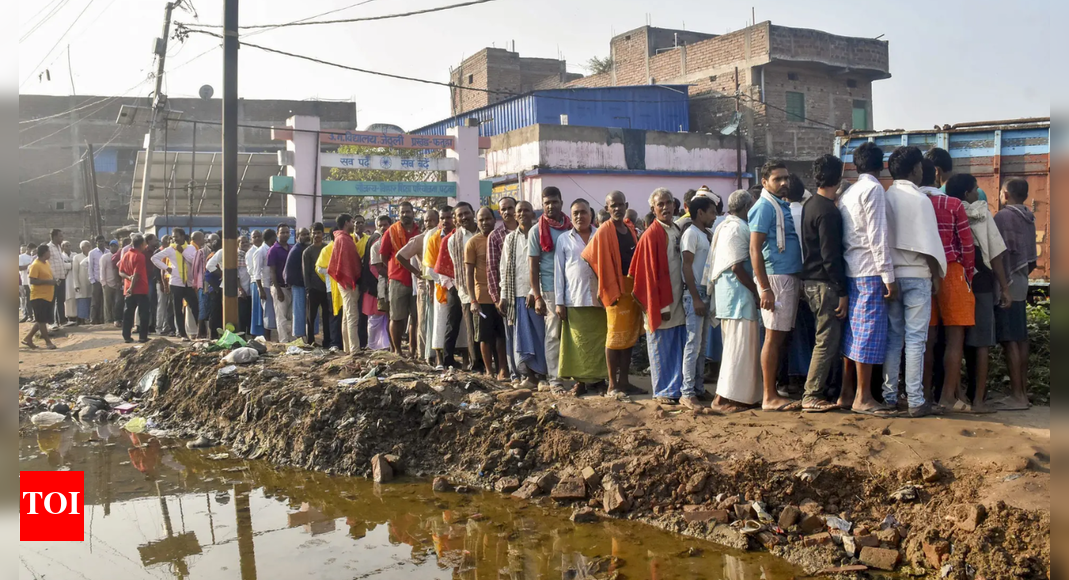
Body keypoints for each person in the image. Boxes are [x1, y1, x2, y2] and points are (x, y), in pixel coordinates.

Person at [883, 146, 947, 417]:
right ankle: (916, 399)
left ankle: (888, 396)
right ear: (914, 170)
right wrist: (937, 277)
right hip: (918, 275)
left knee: (894, 338)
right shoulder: (920, 200)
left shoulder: (885, 197)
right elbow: (929, 245)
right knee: (916, 340)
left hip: (891, 277)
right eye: (921, 167)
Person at [837, 143, 897, 414]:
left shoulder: (850, 191)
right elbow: (878, 235)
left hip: (853, 267)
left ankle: (848, 393)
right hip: (870, 269)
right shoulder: (874, 190)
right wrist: (888, 276)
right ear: (881, 165)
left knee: (854, 334)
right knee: (868, 334)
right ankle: (863, 397)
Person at [947, 174, 1011, 413]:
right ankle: (979, 401)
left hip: (955, 284)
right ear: (966, 194)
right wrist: (1004, 288)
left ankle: (955, 395)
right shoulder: (982, 215)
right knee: (981, 342)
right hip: (981, 285)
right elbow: (995, 254)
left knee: (954, 341)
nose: (977, 194)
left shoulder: (946, 212)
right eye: (975, 189)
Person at [921, 158, 976, 411]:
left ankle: (922, 395)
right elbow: (967, 246)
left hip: (922, 271)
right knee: (955, 339)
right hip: (952, 271)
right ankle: (948, 398)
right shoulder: (952, 203)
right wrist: (968, 276)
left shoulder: (914, 204)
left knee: (926, 340)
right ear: (935, 173)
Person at [748, 161, 804, 411]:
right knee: (772, 337)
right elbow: (754, 249)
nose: (783, 183)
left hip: (785, 276)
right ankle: (769, 396)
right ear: (765, 182)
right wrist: (765, 288)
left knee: (779, 337)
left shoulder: (780, 205)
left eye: (785, 178)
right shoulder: (765, 207)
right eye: (777, 179)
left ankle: (772, 392)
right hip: (775, 279)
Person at [795, 155, 849, 412]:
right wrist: (842, 290)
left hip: (811, 281)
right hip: (825, 283)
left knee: (825, 338)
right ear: (837, 178)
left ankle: (823, 390)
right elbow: (831, 257)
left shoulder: (811, 205)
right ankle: (812, 394)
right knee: (826, 340)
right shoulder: (829, 212)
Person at [582, 191, 644, 397]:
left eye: (620, 205)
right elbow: (590, 257)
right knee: (613, 338)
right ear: (607, 208)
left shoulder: (629, 229)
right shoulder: (603, 231)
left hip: (631, 289)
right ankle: (612, 385)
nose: (617, 208)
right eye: (612, 205)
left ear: (626, 205)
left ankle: (624, 382)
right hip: (614, 289)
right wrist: (605, 282)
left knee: (629, 338)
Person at [630, 188, 686, 404]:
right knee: (660, 345)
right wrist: (660, 306)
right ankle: (662, 390)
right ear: (653, 209)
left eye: (668, 203)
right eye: (660, 204)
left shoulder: (674, 229)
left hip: (677, 297)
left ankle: (675, 388)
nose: (665, 207)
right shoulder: (651, 235)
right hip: (660, 301)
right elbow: (646, 275)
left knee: (675, 345)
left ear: (674, 205)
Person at [707, 190, 761, 412]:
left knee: (740, 350)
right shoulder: (738, 228)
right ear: (748, 208)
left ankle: (741, 397)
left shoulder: (725, 225)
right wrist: (757, 291)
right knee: (736, 351)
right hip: (738, 298)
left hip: (731, 298)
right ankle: (722, 399)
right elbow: (737, 266)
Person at [552, 199, 607, 393]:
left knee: (599, 342)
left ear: (590, 215)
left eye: (583, 212)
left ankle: (600, 380)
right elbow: (559, 271)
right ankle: (581, 382)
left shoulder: (600, 235)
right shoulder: (564, 239)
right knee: (577, 344)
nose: (579, 216)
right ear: (570, 215)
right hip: (573, 298)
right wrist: (559, 302)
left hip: (599, 299)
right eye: (575, 213)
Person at [992, 177, 1037, 411]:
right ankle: (1022, 390)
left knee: (1010, 340)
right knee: (1020, 338)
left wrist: (1004, 287)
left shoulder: (1003, 216)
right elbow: (1029, 258)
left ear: (1005, 194)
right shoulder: (1029, 216)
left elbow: (998, 254)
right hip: (1022, 280)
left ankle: (1017, 395)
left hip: (1007, 283)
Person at [529, 187, 571, 388]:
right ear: (542, 204)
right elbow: (533, 267)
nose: (550, 206)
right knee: (553, 334)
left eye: (554, 202)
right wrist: (537, 296)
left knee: (572, 333)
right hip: (550, 288)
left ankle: (574, 375)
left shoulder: (571, 226)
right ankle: (555, 379)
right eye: (546, 202)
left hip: (572, 287)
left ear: (561, 202)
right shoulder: (536, 231)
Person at [500, 200, 545, 388]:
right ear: (515, 216)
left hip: (537, 296)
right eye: (520, 211)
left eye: (527, 210)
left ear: (533, 214)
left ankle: (544, 376)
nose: (523, 213)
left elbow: (544, 267)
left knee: (540, 336)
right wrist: (503, 295)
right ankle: (530, 377)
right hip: (515, 295)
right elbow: (504, 268)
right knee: (522, 338)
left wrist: (534, 291)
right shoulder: (510, 239)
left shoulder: (540, 235)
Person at [679, 195, 718, 408]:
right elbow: (687, 266)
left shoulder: (705, 234)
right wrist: (695, 298)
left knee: (701, 345)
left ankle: (698, 387)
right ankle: (687, 391)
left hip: (704, 292)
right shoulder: (691, 234)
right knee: (693, 344)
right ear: (700, 213)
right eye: (711, 212)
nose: (714, 216)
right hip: (695, 293)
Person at [466, 207, 511, 380]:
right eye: (481, 220)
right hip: (482, 295)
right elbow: (469, 273)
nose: (484, 222)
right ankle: (489, 371)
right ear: (477, 222)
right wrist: (473, 300)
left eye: (487, 219)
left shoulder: (503, 238)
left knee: (501, 334)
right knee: (484, 336)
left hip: (500, 295)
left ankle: (503, 369)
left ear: (494, 219)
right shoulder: (472, 243)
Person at [397, 209, 440, 364]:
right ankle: (423, 355)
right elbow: (400, 256)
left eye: (432, 220)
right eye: (426, 221)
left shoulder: (443, 237)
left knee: (439, 320)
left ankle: (438, 354)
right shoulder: (419, 239)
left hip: (442, 285)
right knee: (423, 320)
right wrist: (416, 272)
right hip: (425, 286)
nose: (429, 223)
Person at [379, 202, 421, 357]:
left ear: (413, 213)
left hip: (418, 280)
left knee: (416, 318)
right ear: (398, 214)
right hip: (398, 279)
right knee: (397, 317)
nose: (405, 214)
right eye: (402, 212)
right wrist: (394, 267)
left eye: (408, 212)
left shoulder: (419, 230)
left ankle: (413, 350)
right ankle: (397, 350)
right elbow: (383, 256)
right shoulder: (391, 231)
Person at [440, 202, 479, 368]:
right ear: (456, 219)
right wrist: (458, 287)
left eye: (466, 213)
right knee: (469, 328)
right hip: (463, 289)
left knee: (487, 329)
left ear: (473, 213)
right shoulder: (452, 241)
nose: (464, 217)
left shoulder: (485, 232)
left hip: (487, 288)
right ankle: (476, 364)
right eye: (460, 215)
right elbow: (456, 267)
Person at [486, 197, 518, 379]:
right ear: (500, 212)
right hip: (507, 294)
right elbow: (492, 269)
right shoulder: (496, 236)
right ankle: (513, 372)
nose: (507, 212)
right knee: (509, 335)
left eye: (510, 208)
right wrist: (497, 298)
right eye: (503, 209)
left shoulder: (530, 231)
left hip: (526, 292)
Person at [151, 228, 201, 341]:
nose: (174, 239)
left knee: (195, 307)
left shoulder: (190, 248)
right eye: (173, 237)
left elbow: (194, 261)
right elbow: (154, 258)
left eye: (176, 236)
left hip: (188, 283)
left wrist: (182, 251)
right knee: (177, 309)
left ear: (183, 237)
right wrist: (167, 268)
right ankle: (182, 334)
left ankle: (201, 331)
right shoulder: (170, 249)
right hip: (176, 282)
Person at [426, 206, 458, 367]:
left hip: (463, 287)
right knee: (441, 323)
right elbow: (431, 269)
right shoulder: (434, 239)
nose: (446, 221)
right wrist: (448, 283)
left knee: (463, 327)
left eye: (449, 217)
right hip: (442, 287)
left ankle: (465, 359)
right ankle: (440, 360)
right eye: (443, 218)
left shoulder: (460, 235)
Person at [327, 214, 362, 354]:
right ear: (347, 222)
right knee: (352, 315)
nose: (354, 224)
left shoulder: (340, 238)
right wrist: (351, 277)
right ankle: (354, 349)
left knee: (347, 316)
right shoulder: (344, 239)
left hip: (343, 281)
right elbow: (348, 263)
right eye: (353, 221)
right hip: (348, 282)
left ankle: (348, 348)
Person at [23, 244, 59, 350]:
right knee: (42, 321)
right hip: (38, 297)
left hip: (47, 296)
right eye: (48, 251)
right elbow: (32, 280)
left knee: (41, 320)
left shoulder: (46, 263)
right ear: (44, 253)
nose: (50, 254)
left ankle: (28, 338)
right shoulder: (35, 265)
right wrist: (48, 282)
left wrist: (53, 281)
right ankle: (48, 342)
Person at [366, 217, 392, 351]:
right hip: (383, 283)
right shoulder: (376, 245)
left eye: (385, 224)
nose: (383, 227)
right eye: (380, 225)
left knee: (396, 316)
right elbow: (376, 268)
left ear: (390, 225)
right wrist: (393, 275)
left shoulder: (398, 241)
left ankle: (391, 345)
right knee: (381, 315)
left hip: (401, 282)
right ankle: (375, 345)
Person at [118, 235, 151, 343]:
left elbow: (120, 272)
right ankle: (143, 336)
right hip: (140, 288)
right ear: (141, 244)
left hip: (128, 288)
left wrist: (128, 278)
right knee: (144, 313)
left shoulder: (126, 255)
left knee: (128, 313)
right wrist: (132, 287)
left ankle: (126, 336)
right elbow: (136, 274)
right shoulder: (140, 256)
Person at [303, 223, 330, 347]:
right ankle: (310, 341)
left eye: (318, 233)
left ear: (322, 234)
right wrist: (308, 289)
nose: (316, 235)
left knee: (327, 316)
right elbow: (306, 272)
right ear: (311, 234)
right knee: (311, 317)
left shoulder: (327, 248)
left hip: (327, 288)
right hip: (313, 288)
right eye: (314, 233)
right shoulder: (307, 252)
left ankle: (327, 341)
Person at [266, 224, 294, 343]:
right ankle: (283, 341)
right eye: (282, 232)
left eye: (287, 232)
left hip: (291, 288)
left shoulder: (292, 248)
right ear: (277, 234)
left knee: (293, 316)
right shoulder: (273, 250)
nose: (285, 234)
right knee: (281, 317)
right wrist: (278, 290)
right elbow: (272, 271)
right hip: (279, 288)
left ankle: (293, 340)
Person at [285, 227, 312, 343]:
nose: (306, 236)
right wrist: (298, 283)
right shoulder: (296, 250)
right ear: (297, 237)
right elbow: (288, 272)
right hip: (299, 285)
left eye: (307, 234)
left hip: (306, 285)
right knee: (299, 311)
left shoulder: (306, 248)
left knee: (307, 312)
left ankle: (307, 337)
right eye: (303, 234)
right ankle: (299, 337)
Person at [254, 229, 278, 341]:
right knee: (268, 312)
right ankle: (267, 338)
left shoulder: (272, 249)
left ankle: (272, 337)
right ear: (272, 238)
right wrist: (261, 289)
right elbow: (256, 272)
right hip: (265, 285)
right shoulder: (260, 251)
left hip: (273, 284)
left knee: (274, 311)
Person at [154, 234, 176, 337]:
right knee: (165, 306)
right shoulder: (163, 252)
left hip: (175, 282)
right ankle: (162, 327)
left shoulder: (176, 251)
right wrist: (163, 284)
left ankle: (168, 327)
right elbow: (162, 270)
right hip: (166, 283)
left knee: (171, 306)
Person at [66, 241, 92, 325]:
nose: (89, 247)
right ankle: (82, 319)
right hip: (81, 283)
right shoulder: (77, 257)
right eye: (87, 246)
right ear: (82, 248)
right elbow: (75, 272)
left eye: (89, 246)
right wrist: (76, 284)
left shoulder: (91, 255)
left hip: (90, 282)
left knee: (90, 299)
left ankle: (89, 318)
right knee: (82, 299)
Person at [46, 229, 68, 327]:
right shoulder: (48, 247)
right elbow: (46, 263)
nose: (62, 238)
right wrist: (52, 278)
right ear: (54, 237)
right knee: (52, 300)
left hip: (62, 276)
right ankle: (52, 322)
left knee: (61, 299)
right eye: (60, 236)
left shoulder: (59, 247)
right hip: (54, 279)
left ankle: (62, 320)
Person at [246, 230, 266, 338]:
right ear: (251, 239)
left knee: (264, 310)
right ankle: (256, 334)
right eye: (255, 237)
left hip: (265, 282)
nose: (257, 238)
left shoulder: (263, 249)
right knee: (257, 310)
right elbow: (251, 271)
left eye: (259, 236)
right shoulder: (250, 252)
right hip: (256, 283)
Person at [100, 240, 122, 327]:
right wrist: (103, 282)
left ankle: (116, 319)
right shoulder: (105, 257)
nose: (113, 247)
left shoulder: (120, 256)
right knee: (107, 303)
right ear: (109, 247)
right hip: (107, 283)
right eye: (112, 246)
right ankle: (108, 320)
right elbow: (102, 270)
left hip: (117, 284)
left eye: (115, 246)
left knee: (117, 302)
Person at [88, 236, 106, 324]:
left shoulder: (108, 252)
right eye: (99, 241)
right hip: (96, 280)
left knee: (104, 301)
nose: (101, 243)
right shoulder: (92, 253)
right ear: (96, 243)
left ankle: (102, 319)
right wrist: (92, 280)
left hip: (106, 281)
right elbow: (90, 267)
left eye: (102, 241)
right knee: (95, 301)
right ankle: (93, 319)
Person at [236, 235, 252, 335]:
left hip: (251, 289)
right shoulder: (236, 256)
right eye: (242, 242)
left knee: (249, 313)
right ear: (238, 244)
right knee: (242, 314)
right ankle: (242, 335)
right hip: (242, 290)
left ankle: (249, 335)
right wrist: (240, 289)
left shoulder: (250, 254)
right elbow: (236, 275)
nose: (245, 244)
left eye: (247, 242)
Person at [19, 244, 35, 323]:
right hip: (25, 280)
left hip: (34, 280)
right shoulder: (21, 257)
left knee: (34, 298)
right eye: (32, 250)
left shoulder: (34, 257)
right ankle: (29, 315)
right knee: (27, 298)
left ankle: (34, 315)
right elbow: (20, 267)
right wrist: (30, 265)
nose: (33, 251)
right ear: (28, 249)